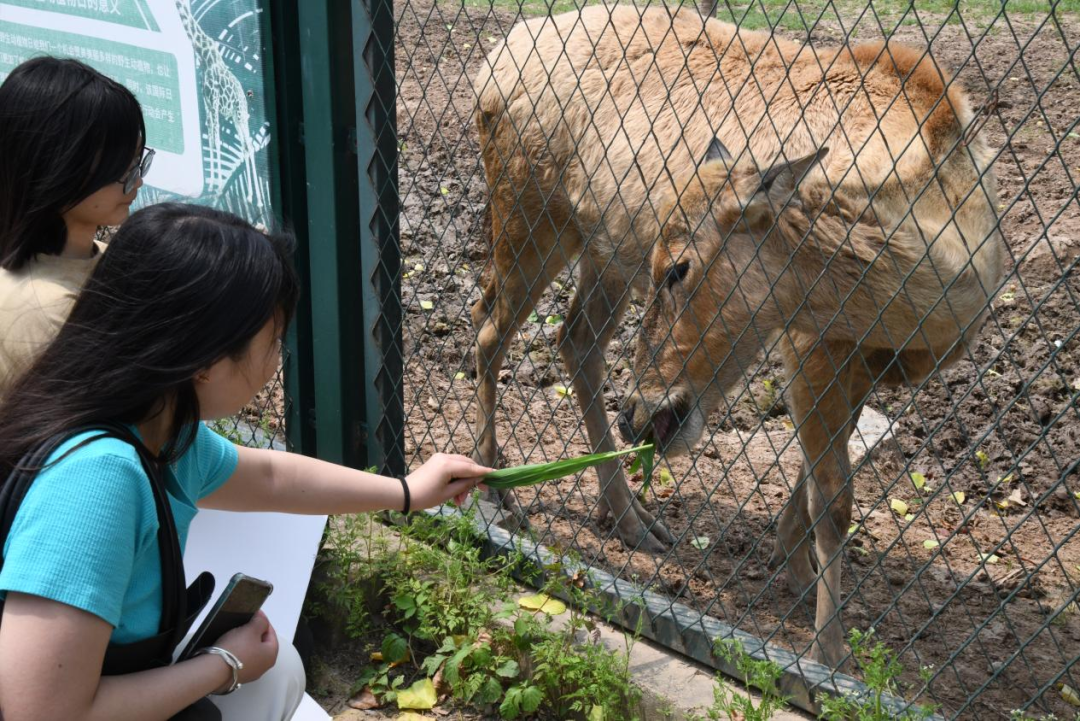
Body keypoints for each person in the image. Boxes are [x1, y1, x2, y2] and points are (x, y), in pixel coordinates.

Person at [0, 203, 491, 721]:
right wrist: (225, 663)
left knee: (280, 675)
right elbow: (42, 713)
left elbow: (272, 477)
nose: (277, 360)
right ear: (204, 362)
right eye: (272, 341)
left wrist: (409, 491)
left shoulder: (154, 426)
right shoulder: (97, 482)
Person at [0, 56, 153, 392]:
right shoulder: (45, 309)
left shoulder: (102, 259)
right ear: (57, 169)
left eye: (138, 163)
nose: (137, 183)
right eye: (123, 171)